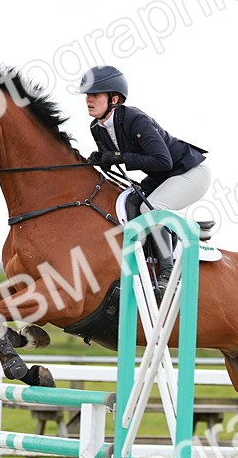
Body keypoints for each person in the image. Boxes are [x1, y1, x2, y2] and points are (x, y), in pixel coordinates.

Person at [75, 65, 211, 297]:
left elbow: (162, 161)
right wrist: (100, 160)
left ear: (114, 98)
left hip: (190, 172)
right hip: (164, 177)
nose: (88, 100)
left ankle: (169, 275)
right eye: (88, 95)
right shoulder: (96, 128)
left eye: (95, 94)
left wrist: (119, 157)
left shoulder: (134, 119)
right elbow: (116, 158)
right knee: (128, 203)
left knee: (152, 208)